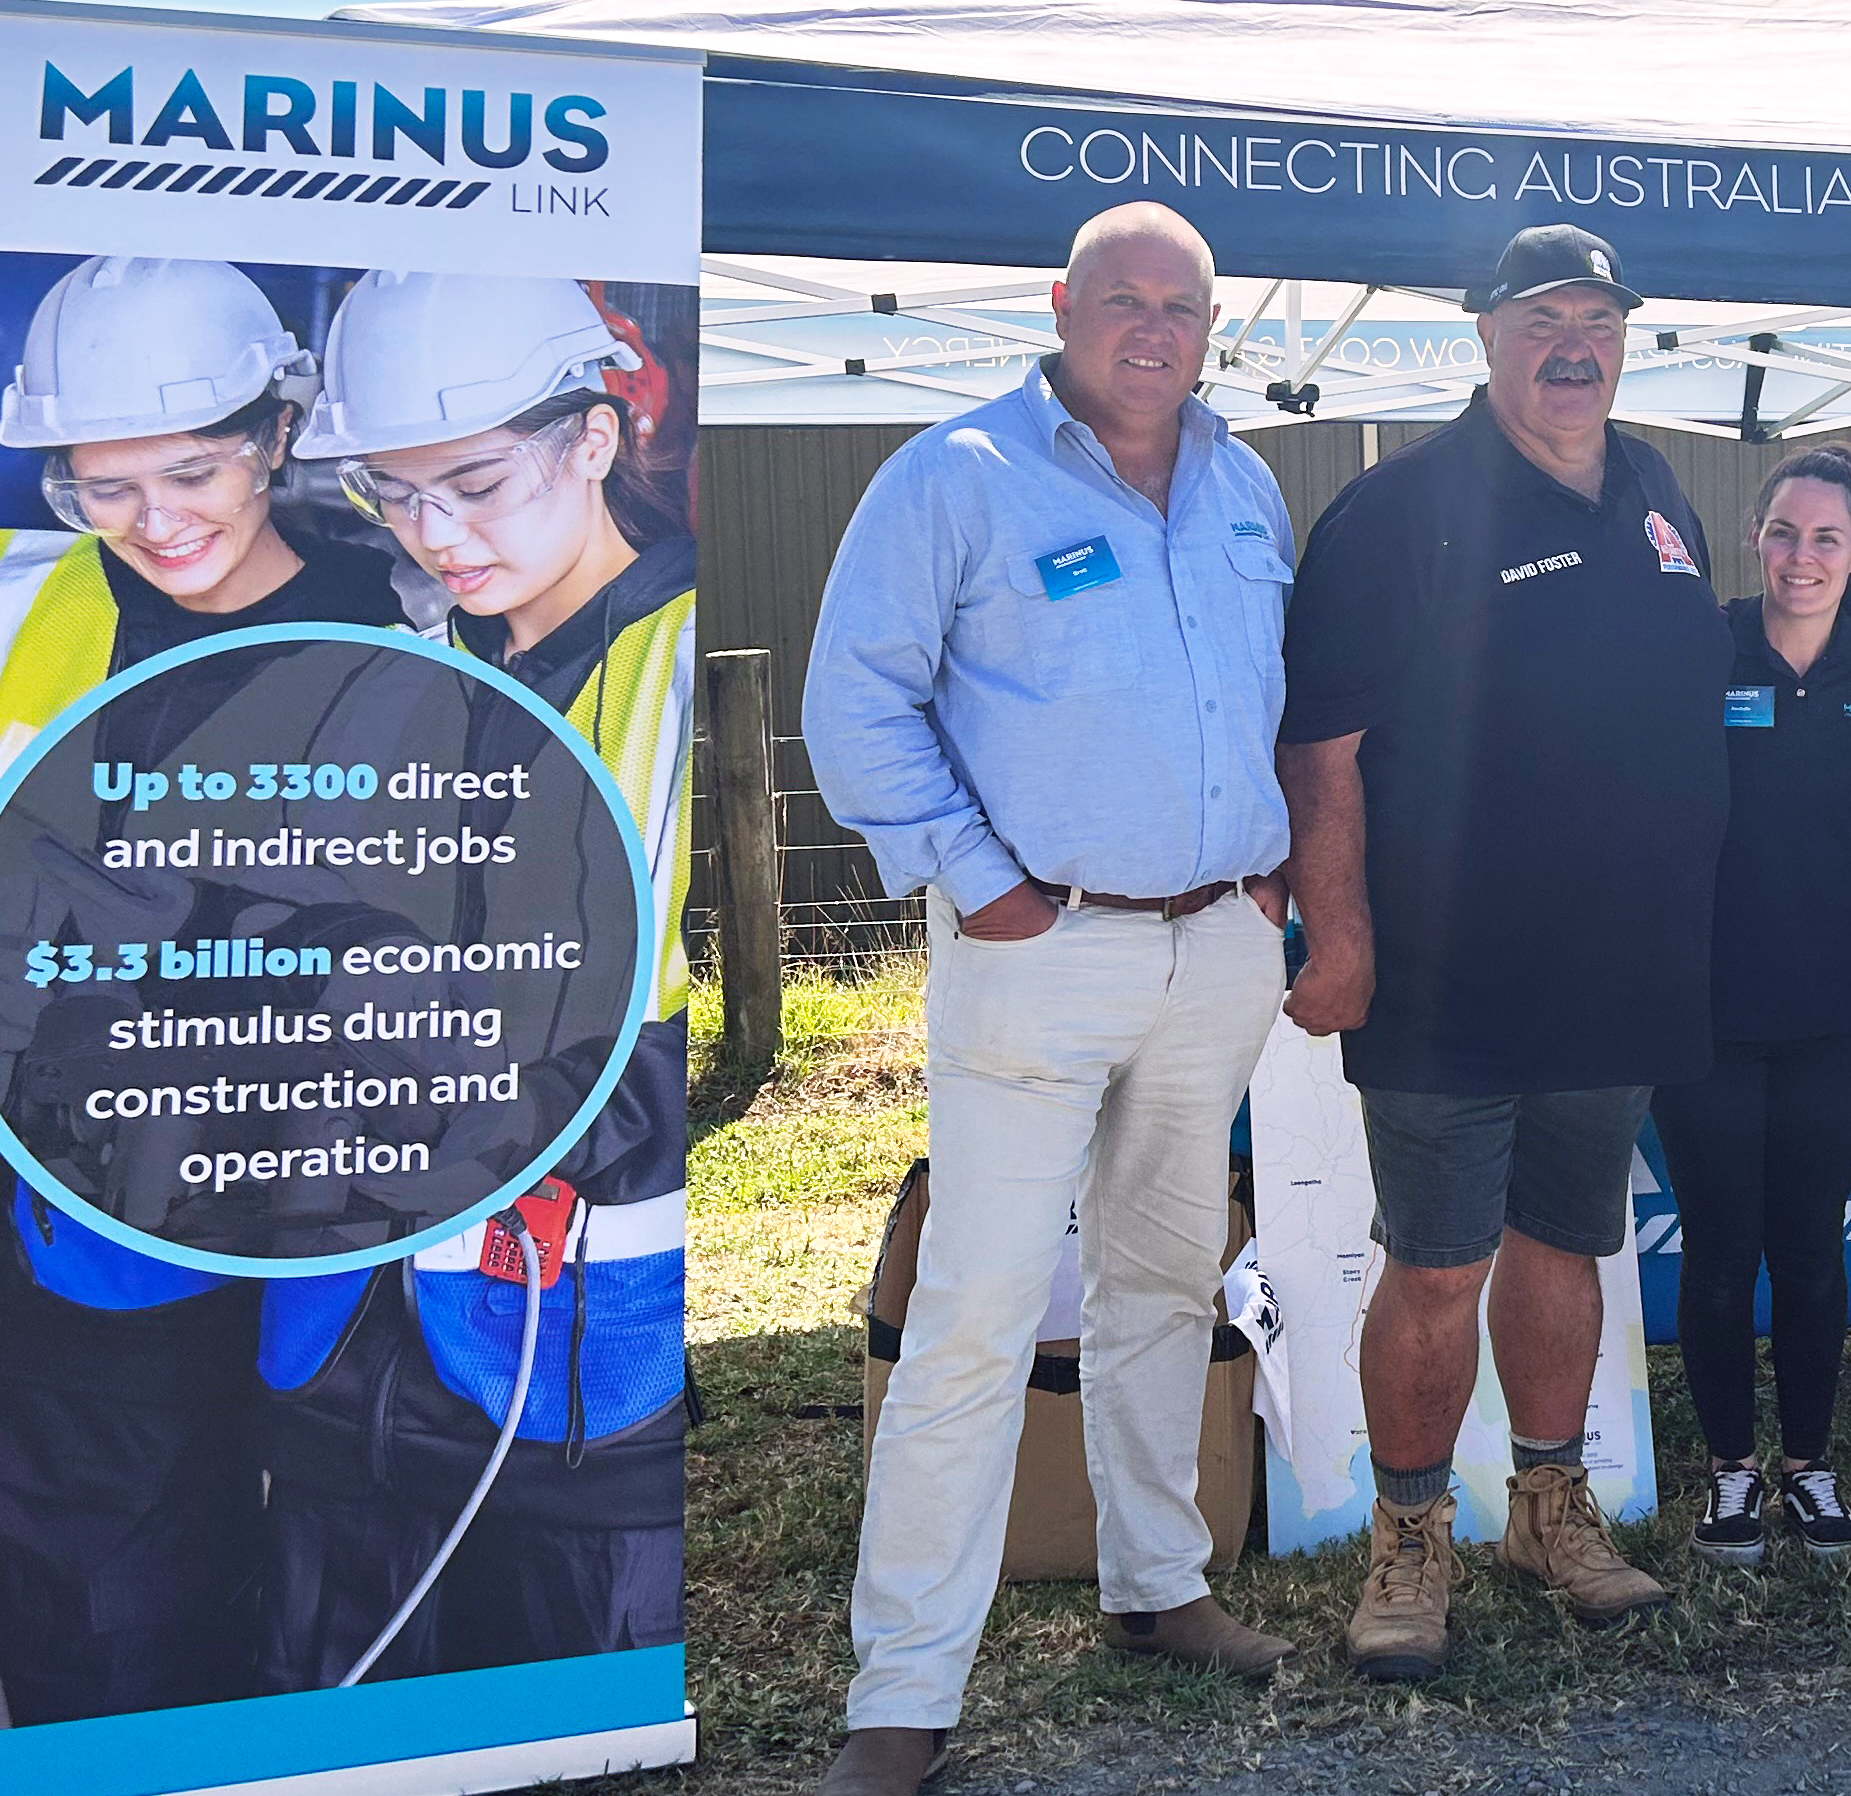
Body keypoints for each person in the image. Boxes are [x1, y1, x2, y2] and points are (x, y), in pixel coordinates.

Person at [802, 202, 1296, 1796]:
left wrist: (1272, 882)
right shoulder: (957, 475)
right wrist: (974, 877)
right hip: (1040, 946)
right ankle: (906, 1693)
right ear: (1064, 306)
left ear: (1211, 326)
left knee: (1164, 1283)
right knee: (976, 1316)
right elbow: (855, 697)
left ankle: (1159, 1585)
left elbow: (1275, 697)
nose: (1154, 330)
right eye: (1126, 301)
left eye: (1184, 307)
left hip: (1216, 942)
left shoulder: (1244, 480)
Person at [1277, 224, 1730, 1681]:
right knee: (1434, 1267)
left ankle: (1549, 1505)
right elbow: (1322, 746)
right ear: (1485, 338)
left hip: (1616, 968)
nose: (1575, 343)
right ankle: (1410, 1537)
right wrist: (1338, 932)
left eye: (1599, 316)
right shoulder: (1400, 511)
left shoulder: (1659, 491)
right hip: (1445, 977)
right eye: (1545, 318)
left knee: (1567, 1247)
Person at [251, 270, 695, 1687]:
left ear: (594, 438)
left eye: (477, 484)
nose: (437, 536)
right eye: (394, 494)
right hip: (355, 1334)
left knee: (574, 1698)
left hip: (567, 1349)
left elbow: (647, 1036)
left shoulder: (669, 660)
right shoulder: (393, 674)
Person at [0, 254, 401, 1724]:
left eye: (191, 470)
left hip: (337, 1180)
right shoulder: (40, 611)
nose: (154, 524)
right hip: (91, 1187)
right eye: (104, 487)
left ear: (277, 436)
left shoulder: (418, 614)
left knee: (332, 1532)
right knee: (106, 1564)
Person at [1651, 445, 1851, 1567]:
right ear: (1755, 536)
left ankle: (1807, 1462)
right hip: (1702, 1008)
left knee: (1807, 1246)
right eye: (1786, 532)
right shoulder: (1698, 644)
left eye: (1827, 538)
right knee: (1717, 1247)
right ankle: (1728, 1474)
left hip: (1833, 1009)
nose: (1804, 557)